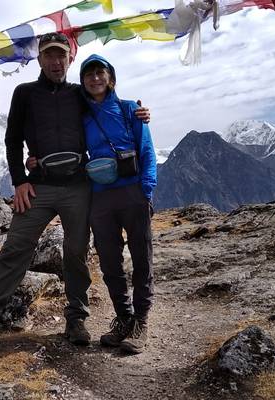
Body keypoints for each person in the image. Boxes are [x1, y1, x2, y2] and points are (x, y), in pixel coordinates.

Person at [0, 33, 149, 349]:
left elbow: (108, 106)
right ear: (39, 60)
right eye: (49, 55)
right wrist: (19, 180)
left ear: (70, 59)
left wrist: (137, 112)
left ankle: (76, 319)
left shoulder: (80, 94)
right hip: (37, 186)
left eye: (61, 55)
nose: (55, 61)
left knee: (76, 253)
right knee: (15, 249)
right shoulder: (24, 93)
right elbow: (13, 140)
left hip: (78, 186)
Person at [79, 54, 157, 354]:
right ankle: (124, 318)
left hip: (133, 193)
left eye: (100, 73)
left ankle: (141, 322)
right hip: (100, 197)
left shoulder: (130, 110)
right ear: (83, 82)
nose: (95, 78)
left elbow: (146, 150)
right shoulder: (82, 116)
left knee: (141, 258)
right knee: (110, 262)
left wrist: (146, 190)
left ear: (110, 78)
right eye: (89, 74)